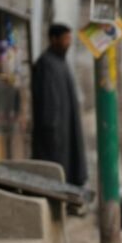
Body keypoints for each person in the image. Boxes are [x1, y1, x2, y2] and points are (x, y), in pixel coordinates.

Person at [31, 24, 87, 187]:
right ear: (53, 39)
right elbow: (48, 105)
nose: (68, 43)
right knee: (56, 173)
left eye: (69, 39)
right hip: (54, 137)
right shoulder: (46, 64)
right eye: (65, 39)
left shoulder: (61, 63)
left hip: (66, 132)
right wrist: (52, 132)